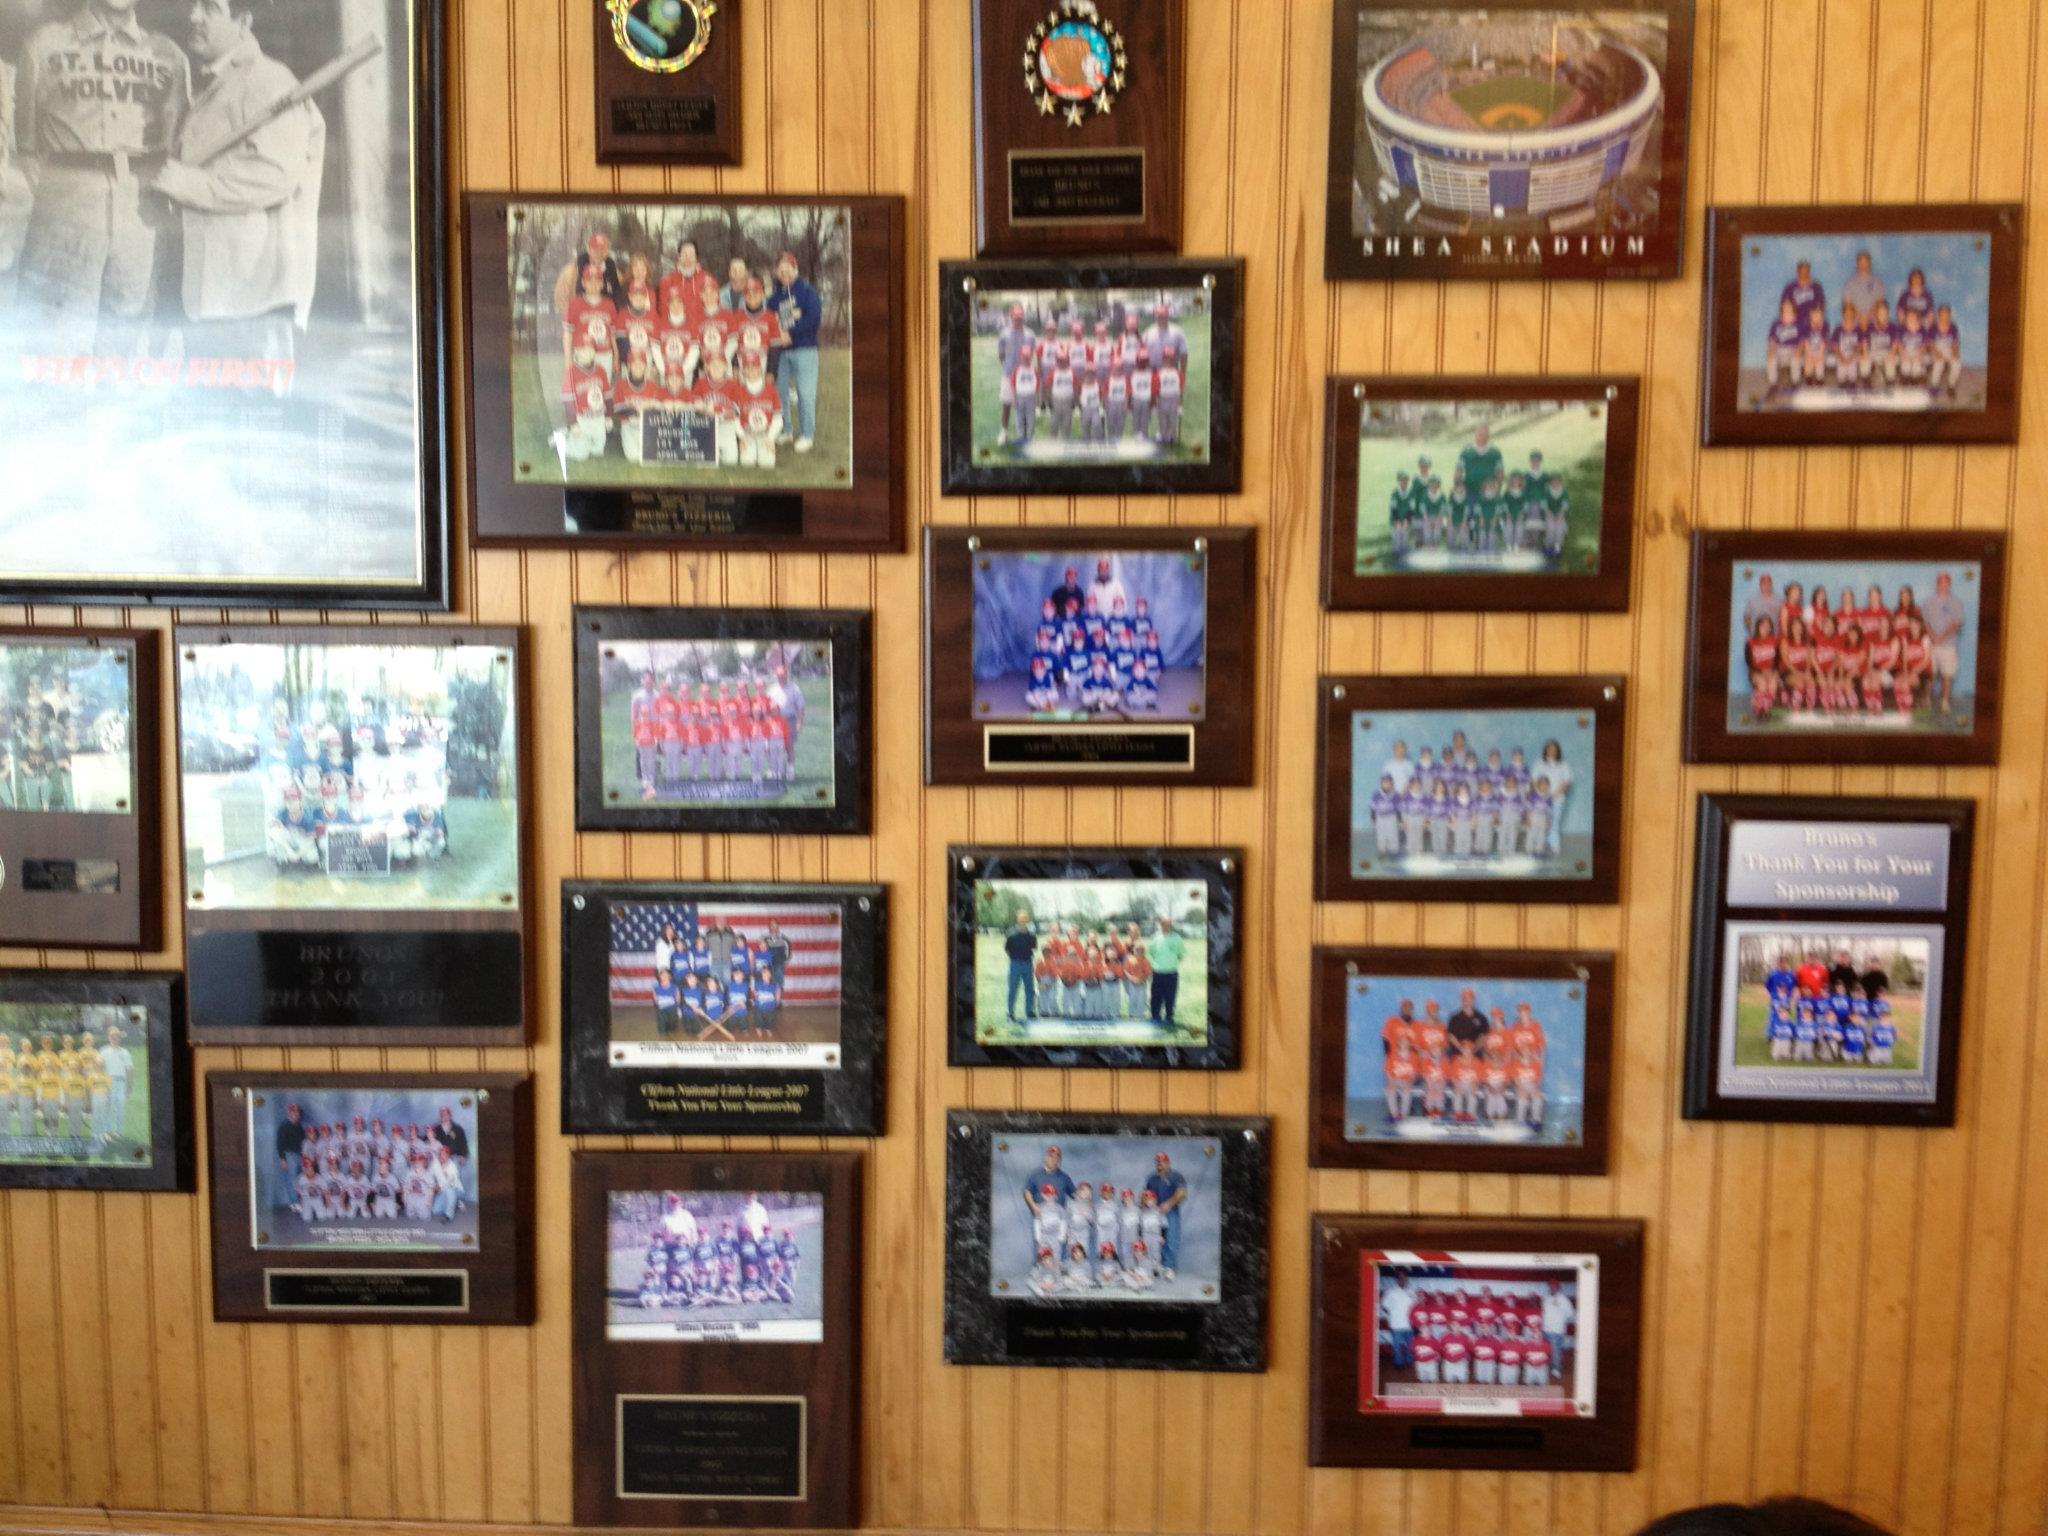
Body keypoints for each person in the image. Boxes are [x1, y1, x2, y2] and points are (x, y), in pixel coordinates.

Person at [148, 0, 324, 373]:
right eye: (193, 5)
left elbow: (275, 175)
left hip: (251, 292)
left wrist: (188, 183)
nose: (193, 15)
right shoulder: (217, 81)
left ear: (243, 20)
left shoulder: (268, 81)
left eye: (210, 7)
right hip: (216, 290)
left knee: (248, 400)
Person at [14, 0, 192, 356]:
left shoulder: (169, 55)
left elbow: (177, 146)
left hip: (140, 213)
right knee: (52, 341)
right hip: (65, 208)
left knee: (126, 339)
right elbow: (27, 147)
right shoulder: (45, 44)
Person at [1920, 570, 1965, 716]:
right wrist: (1933, 637)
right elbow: (1925, 622)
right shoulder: (1929, 602)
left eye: (1946, 583)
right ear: (1937, 584)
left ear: (1949, 584)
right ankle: (1926, 699)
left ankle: (1944, 702)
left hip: (1948, 645)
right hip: (1932, 644)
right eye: (1941, 582)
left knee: (1947, 674)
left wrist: (1941, 637)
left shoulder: (1956, 602)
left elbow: (1957, 623)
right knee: (1930, 674)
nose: (1943, 585)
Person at [1142, 1151, 1187, 1280]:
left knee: (1171, 1239)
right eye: (1158, 1162)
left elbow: (1182, 1193)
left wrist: (1169, 1203)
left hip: (1171, 1212)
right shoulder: (1152, 1179)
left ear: (1168, 1163)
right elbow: (1145, 1195)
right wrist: (1143, 1208)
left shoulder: (1176, 1176)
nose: (1160, 1164)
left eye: (1163, 1162)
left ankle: (1169, 1267)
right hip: (1154, 1213)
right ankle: (1154, 1266)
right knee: (1154, 1240)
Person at [1146, 914, 1185, 1028]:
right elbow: (1151, 953)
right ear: (1160, 925)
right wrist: (1159, 964)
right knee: (1156, 996)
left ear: (1171, 925)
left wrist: (1170, 963)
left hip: (1171, 973)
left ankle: (1169, 1017)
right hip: (1157, 973)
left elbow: (1180, 955)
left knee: (1170, 996)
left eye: (1167, 924)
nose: (1165, 926)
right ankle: (1155, 1016)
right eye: (1163, 924)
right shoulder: (1155, 937)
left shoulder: (1177, 938)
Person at [1003, 908, 1037, 1022]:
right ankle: (1010, 1013)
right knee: (1012, 989)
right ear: (1017, 919)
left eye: (1025, 918)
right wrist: (1015, 958)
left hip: (1027, 964)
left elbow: (1033, 948)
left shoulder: (1031, 934)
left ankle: (1029, 1011)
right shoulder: (1011, 933)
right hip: (1015, 964)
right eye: (1021, 918)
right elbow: (1007, 949)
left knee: (1029, 989)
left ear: (1027, 920)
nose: (1023, 920)